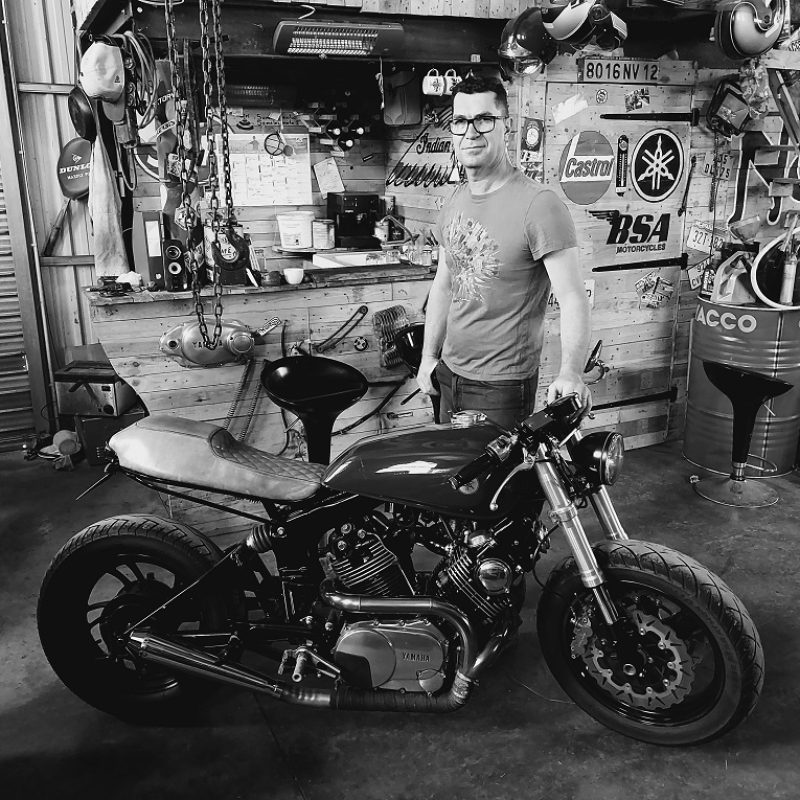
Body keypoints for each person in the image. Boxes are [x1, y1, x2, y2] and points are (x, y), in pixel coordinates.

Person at [417, 74, 592, 430]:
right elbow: (444, 286)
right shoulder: (455, 201)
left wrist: (571, 372)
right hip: (449, 373)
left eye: (483, 119)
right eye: (460, 121)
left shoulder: (539, 205)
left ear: (506, 127)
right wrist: (428, 356)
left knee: (500, 470)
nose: (470, 132)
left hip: (501, 386)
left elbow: (573, 297)